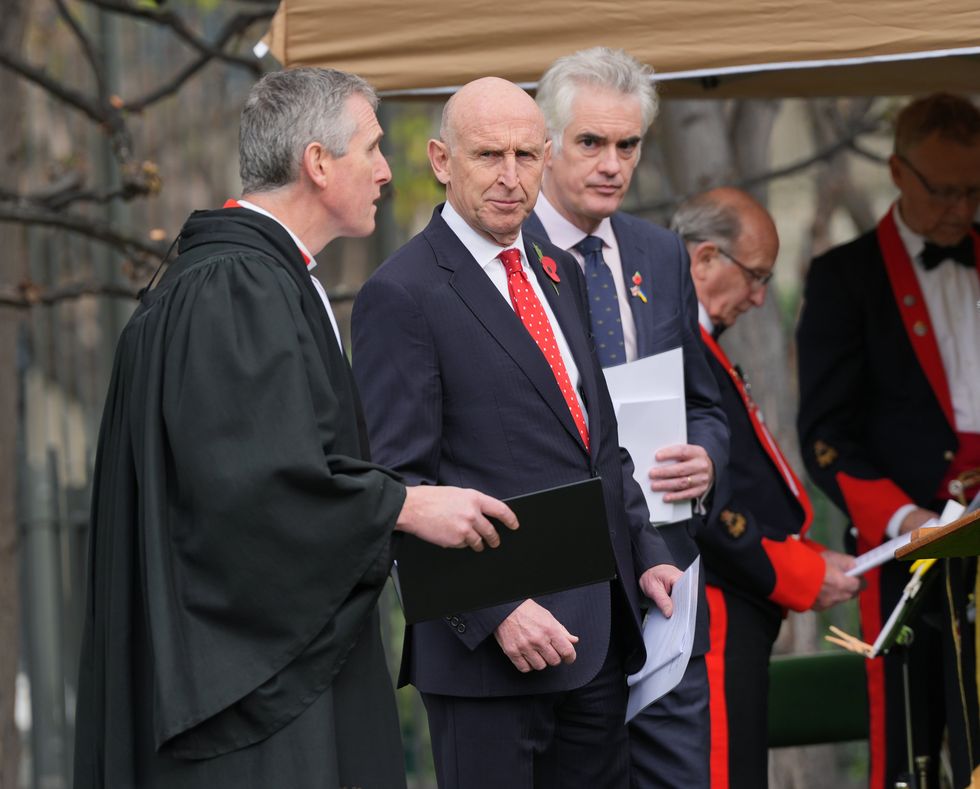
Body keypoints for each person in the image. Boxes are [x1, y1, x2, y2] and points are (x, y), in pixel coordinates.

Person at [72, 66, 519, 789]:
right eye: (371, 149)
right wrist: (405, 503)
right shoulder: (235, 288)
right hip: (253, 713)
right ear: (317, 163)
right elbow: (251, 490)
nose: (385, 171)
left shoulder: (241, 278)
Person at [351, 76, 681, 789]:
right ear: (441, 160)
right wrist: (496, 610)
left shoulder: (558, 271)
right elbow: (398, 487)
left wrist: (646, 549)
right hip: (491, 661)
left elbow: (600, 442)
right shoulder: (400, 294)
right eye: (488, 156)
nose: (510, 178)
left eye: (527, 156)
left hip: (599, 640)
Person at [523, 47, 729, 789]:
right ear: (545, 144)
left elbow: (705, 402)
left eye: (628, 145)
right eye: (590, 143)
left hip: (667, 585)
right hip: (560, 589)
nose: (612, 163)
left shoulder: (659, 252)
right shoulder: (504, 256)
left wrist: (706, 457)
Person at [797, 93, 980, 789]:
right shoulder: (847, 277)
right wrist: (907, 521)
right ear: (899, 171)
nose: (960, 210)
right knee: (911, 743)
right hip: (910, 546)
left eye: (974, 189)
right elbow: (825, 434)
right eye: (943, 190)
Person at [672, 187, 860, 789]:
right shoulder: (675, 343)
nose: (758, 296)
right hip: (717, 600)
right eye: (754, 276)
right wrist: (797, 571)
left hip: (740, 598)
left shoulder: (697, 343)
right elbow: (700, 503)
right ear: (704, 260)